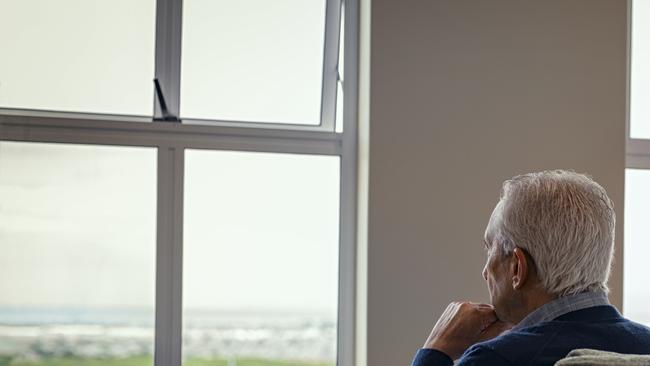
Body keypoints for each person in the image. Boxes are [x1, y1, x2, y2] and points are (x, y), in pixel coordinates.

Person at [411, 170, 650, 366]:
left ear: (517, 268)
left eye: (489, 250)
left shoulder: (496, 359)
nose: (485, 272)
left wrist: (436, 349)